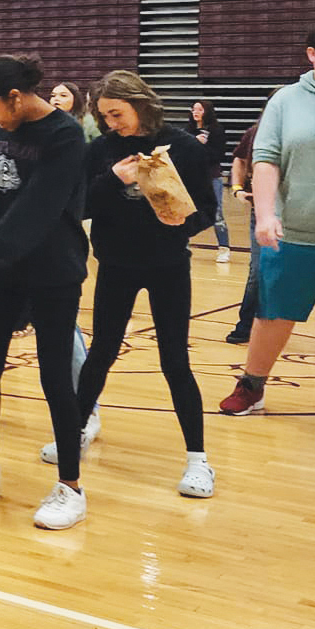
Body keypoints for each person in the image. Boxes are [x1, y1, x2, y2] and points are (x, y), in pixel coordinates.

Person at [0, 55, 91, 531]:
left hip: (53, 270)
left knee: (54, 376)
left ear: (16, 97)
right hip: (2, 270)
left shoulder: (65, 136)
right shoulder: (2, 130)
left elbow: (36, 213)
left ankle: (71, 486)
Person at [60, 70, 216, 497]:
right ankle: (73, 431)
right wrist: (115, 179)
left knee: (174, 361)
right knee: (102, 352)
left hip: (167, 265)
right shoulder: (102, 150)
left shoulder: (182, 146)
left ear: (139, 103)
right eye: (105, 116)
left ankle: (198, 460)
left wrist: (181, 223)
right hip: (115, 263)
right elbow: (80, 205)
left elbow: (206, 207)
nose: (112, 123)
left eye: (116, 113)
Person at [219, 26, 315, 415]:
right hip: (294, 231)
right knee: (274, 315)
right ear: (312, 54)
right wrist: (266, 212)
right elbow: (265, 160)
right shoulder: (286, 101)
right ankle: (252, 386)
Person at [224, 93, 277, 344]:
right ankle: (245, 325)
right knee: (258, 270)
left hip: (298, 215)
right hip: (263, 212)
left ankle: (274, 323)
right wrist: (236, 188)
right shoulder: (256, 132)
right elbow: (239, 159)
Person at [188, 99, 231, 263]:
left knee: (217, 212)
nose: (196, 112)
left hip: (212, 176)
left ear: (207, 111)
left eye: (199, 109)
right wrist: (194, 142)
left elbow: (218, 155)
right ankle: (183, 245)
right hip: (193, 176)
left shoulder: (216, 130)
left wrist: (203, 146)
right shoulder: (189, 131)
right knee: (187, 209)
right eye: (193, 109)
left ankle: (224, 248)